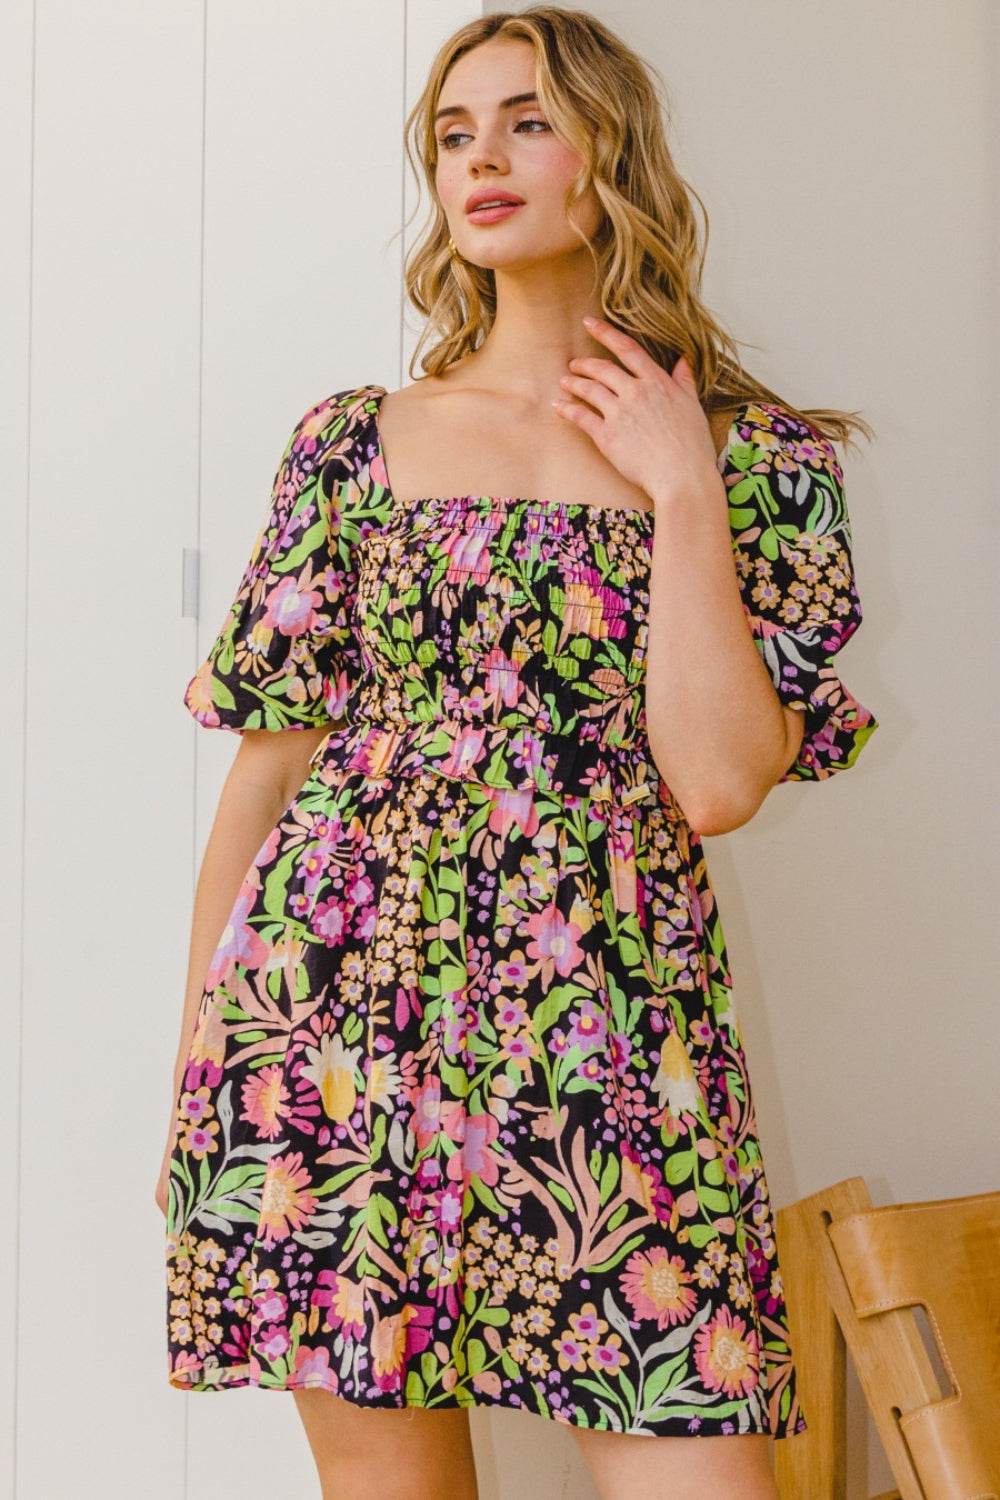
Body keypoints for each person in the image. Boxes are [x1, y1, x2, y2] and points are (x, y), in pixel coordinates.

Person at [157, 7, 879, 1498]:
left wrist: (682, 489)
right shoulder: (354, 442)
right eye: (453, 132)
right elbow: (271, 768)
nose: (481, 158)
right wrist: (198, 1056)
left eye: (528, 121)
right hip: (332, 1029)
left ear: (612, 154)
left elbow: (718, 783)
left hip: (610, 1033)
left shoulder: (755, 458)